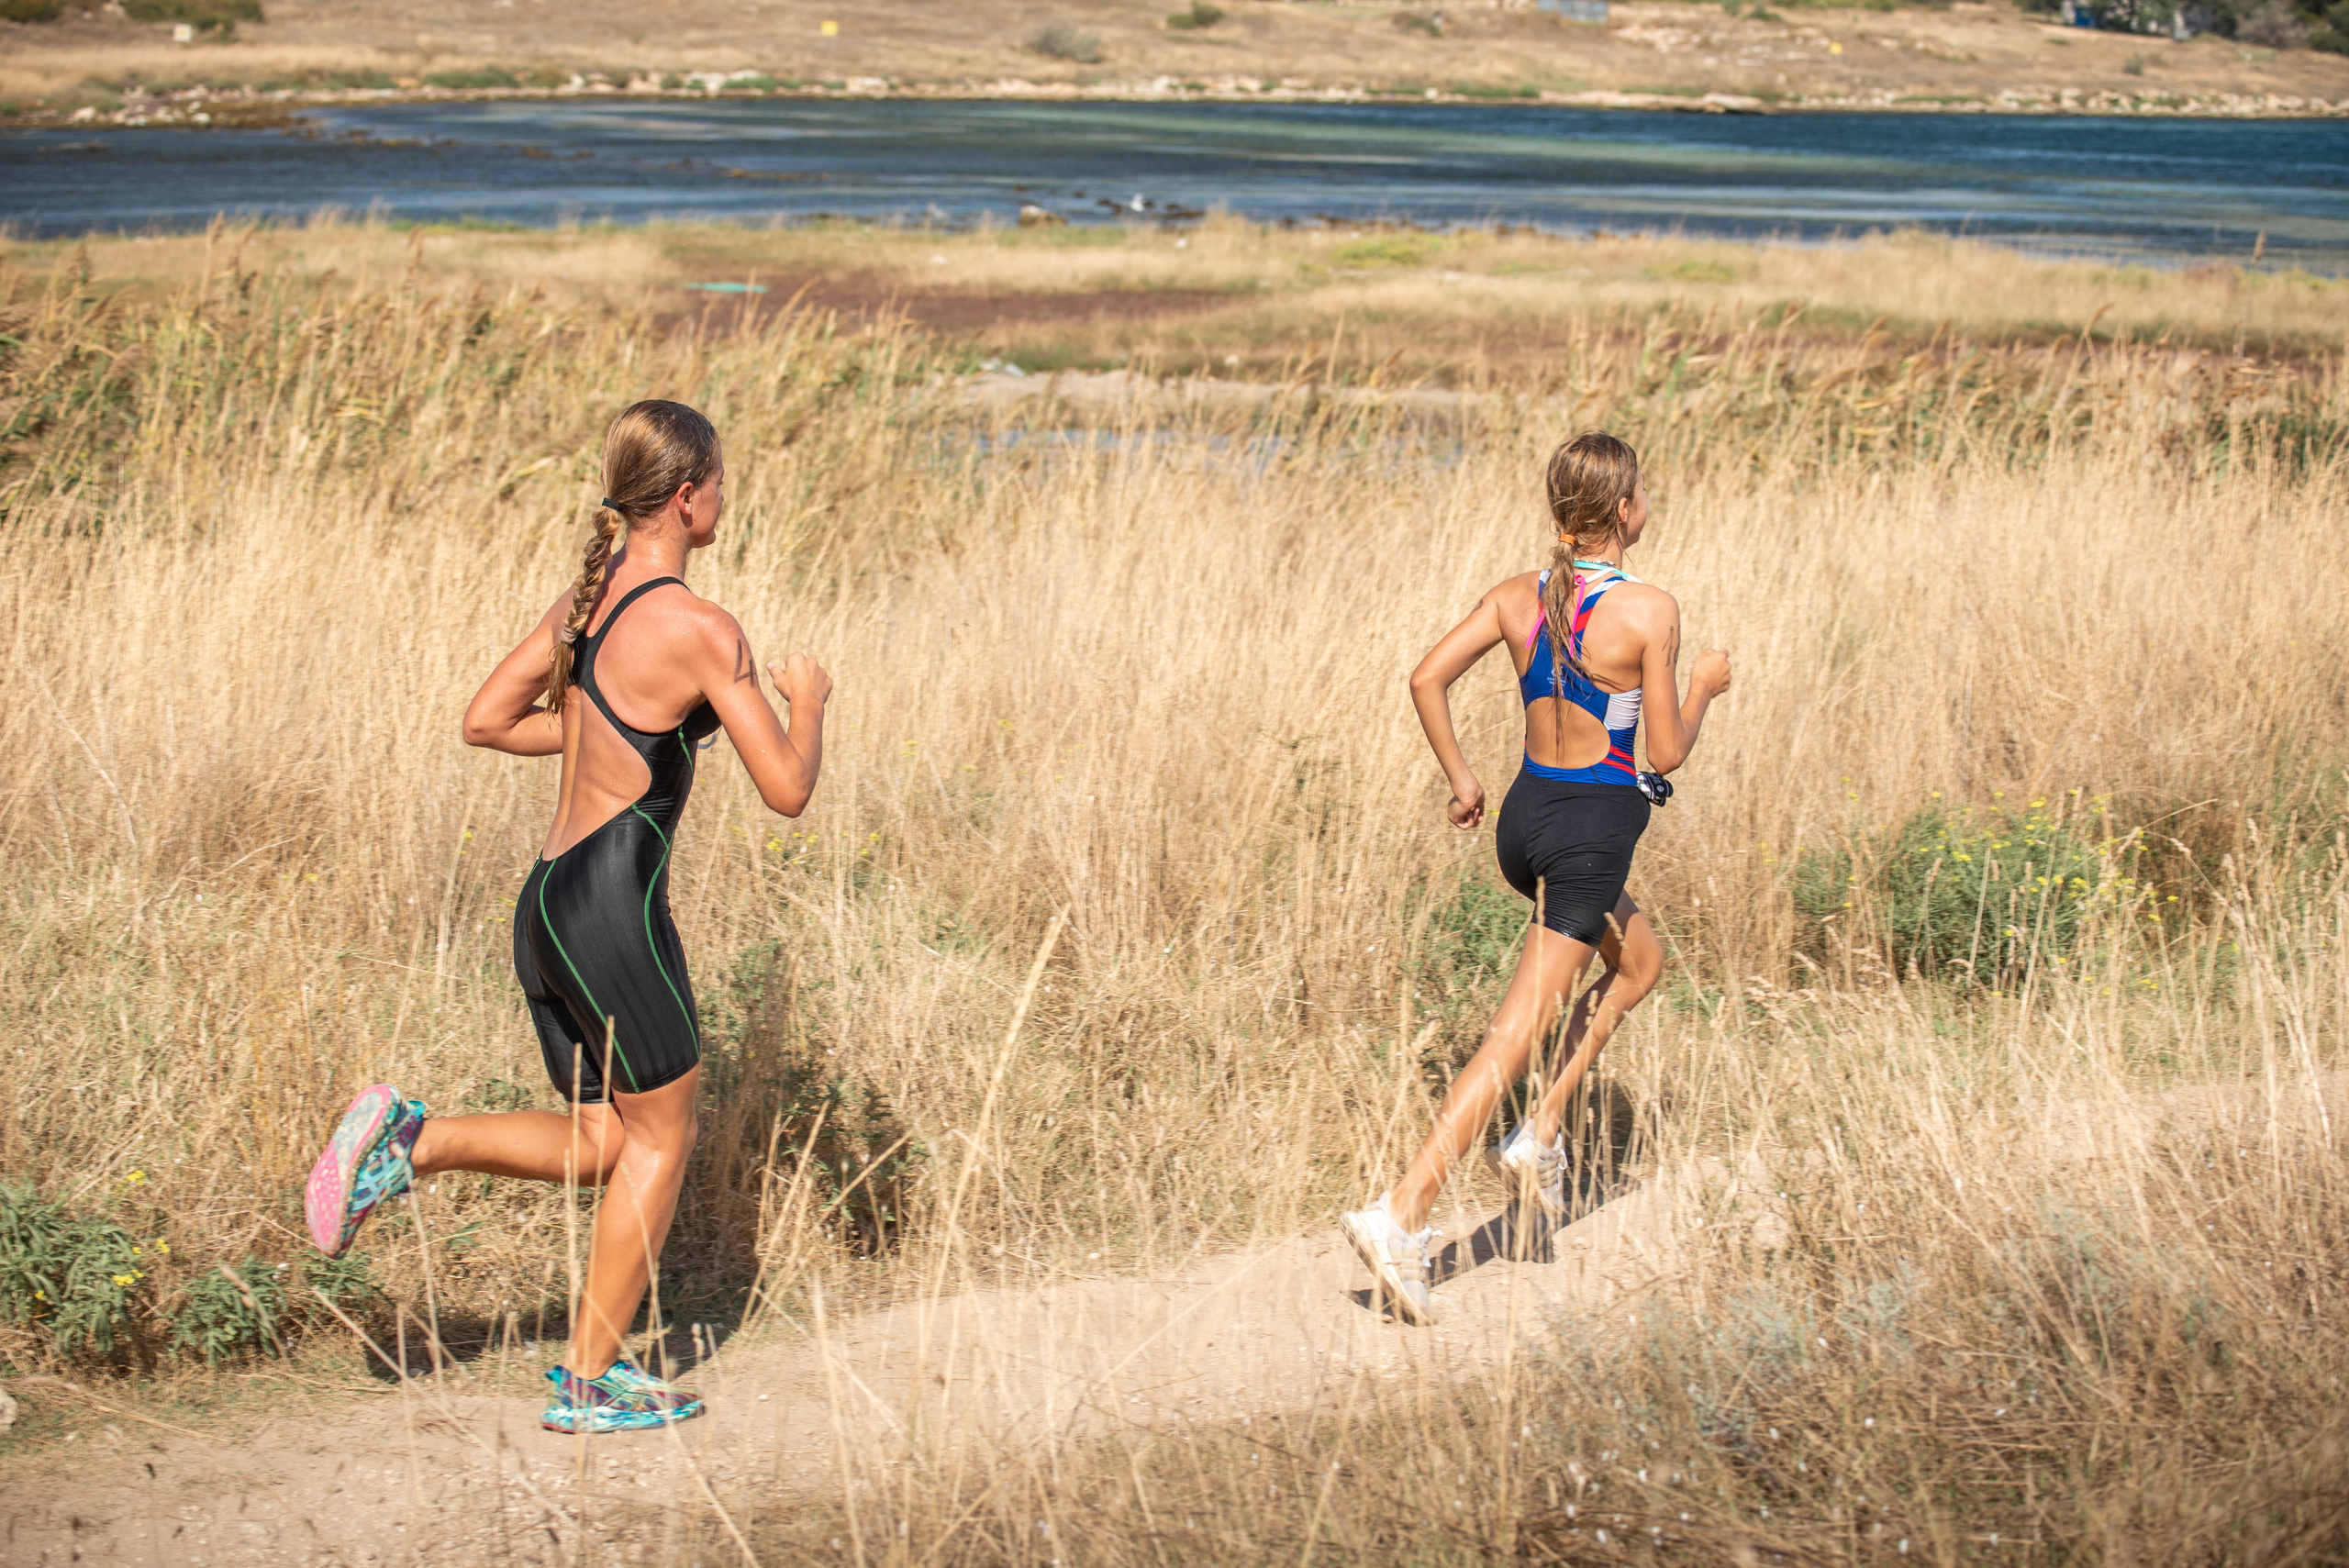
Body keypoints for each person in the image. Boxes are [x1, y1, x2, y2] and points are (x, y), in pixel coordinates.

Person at [301, 400, 833, 1431]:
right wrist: (804, 699)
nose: (726, 495)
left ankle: (410, 1138)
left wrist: (613, 735)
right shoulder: (700, 626)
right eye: (719, 480)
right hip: (611, 912)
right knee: (661, 1140)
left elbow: (485, 720)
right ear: (685, 497)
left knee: (602, 1138)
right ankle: (590, 1383)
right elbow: (787, 790)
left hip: (546, 905)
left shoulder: (585, 601)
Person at [1340, 431, 1731, 1325]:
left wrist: (1462, 780)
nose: (1645, 503)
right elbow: (1665, 751)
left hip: (1524, 820)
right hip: (1586, 839)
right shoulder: (1650, 610)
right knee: (1514, 1030)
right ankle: (1400, 1212)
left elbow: (1425, 675)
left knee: (1639, 964)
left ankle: (1540, 1130)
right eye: (1642, 493)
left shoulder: (1518, 595)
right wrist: (1704, 683)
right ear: (1625, 509)